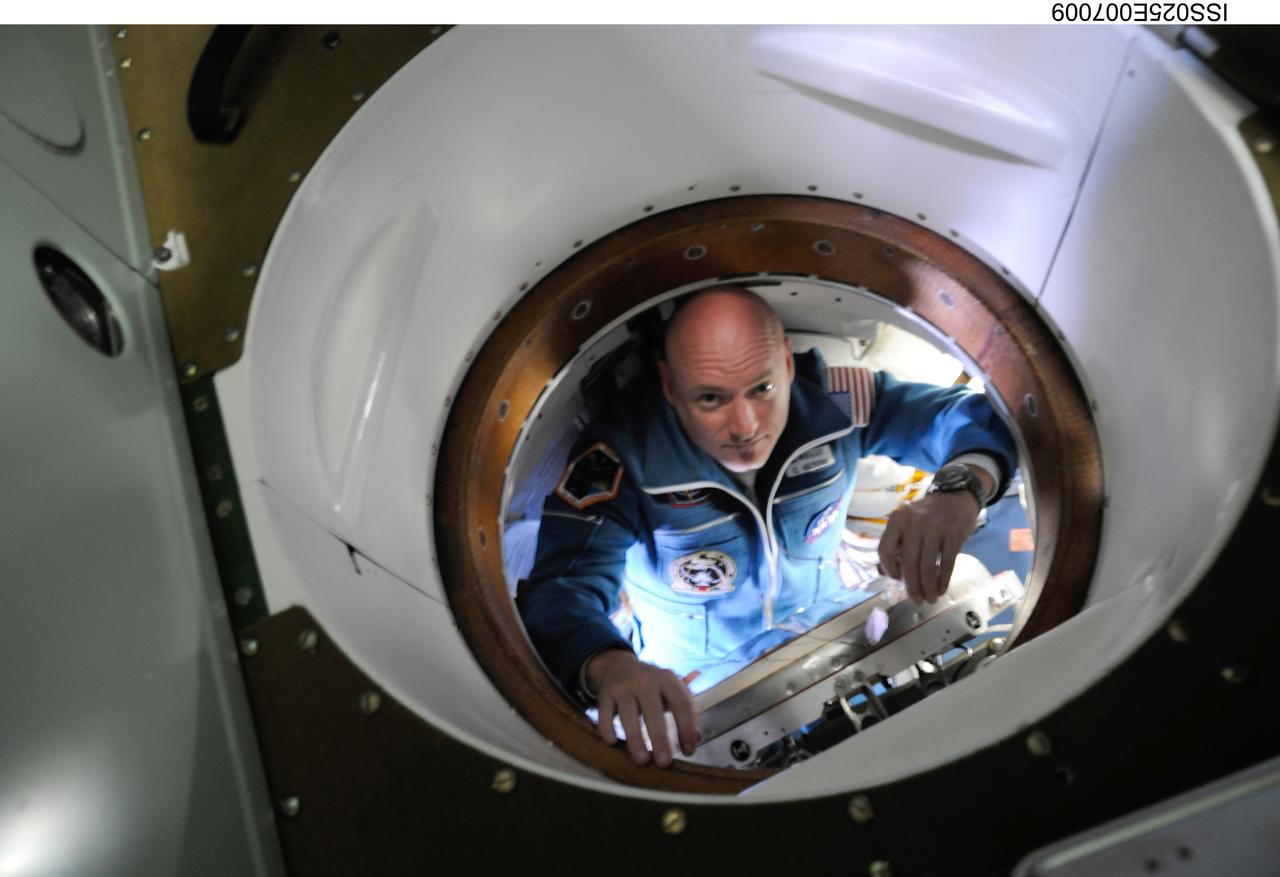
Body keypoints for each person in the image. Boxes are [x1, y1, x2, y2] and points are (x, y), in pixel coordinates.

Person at [518, 287, 1017, 767]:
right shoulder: (621, 456)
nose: (746, 426)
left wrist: (959, 489)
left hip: (834, 638)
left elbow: (970, 416)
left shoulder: (833, 401)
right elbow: (561, 586)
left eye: (763, 388)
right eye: (711, 399)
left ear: (787, 362)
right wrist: (610, 664)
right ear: (669, 385)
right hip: (697, 692)